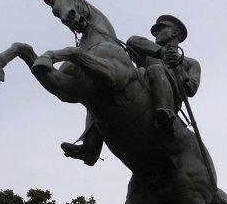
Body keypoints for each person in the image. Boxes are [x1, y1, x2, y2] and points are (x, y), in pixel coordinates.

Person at [61, 14, 201, 165]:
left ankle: (164, 116)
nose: (156, 33)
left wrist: (178, 66)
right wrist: (163, 54)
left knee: (155, 69)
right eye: (155, 30)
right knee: (101, 93)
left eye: (160, 29)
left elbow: (191, 88)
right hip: (144, 89)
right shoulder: (149, 48)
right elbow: (132, 44)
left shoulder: (190, 63)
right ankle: (90, 147)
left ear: (175, 33)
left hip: (169, 96)